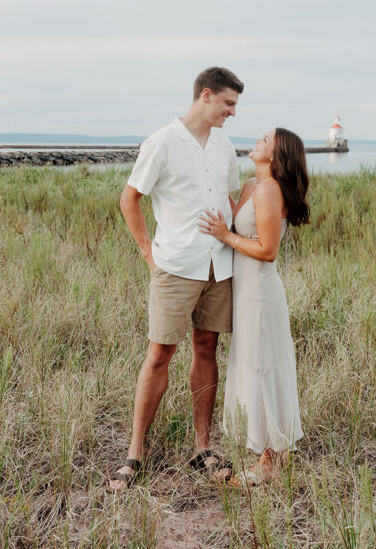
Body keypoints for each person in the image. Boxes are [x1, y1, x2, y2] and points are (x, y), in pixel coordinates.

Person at [108, 66, 244, 491]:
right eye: (228, 103)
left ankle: (202, 447)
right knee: (159, 355)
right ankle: (134, 454)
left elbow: (233, 200)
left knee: (208, 348)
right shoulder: (162, 142)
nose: (232, 112)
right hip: (176, 265)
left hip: (219, 266)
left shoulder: (225, 146)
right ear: (206, 95)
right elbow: (130, 199)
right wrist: (150, 253)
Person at [200, 127, 309, 485]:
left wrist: (226, 236)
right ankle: (265, 449)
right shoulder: (251, 185)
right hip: (243, 291)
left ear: (277, 155)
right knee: (250, 362)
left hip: (261, 292)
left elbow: (267, 250)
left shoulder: (271, 191)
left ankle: (270, 459)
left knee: (263, 365)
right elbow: (235, 217)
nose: (259, 140)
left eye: (267, 139)